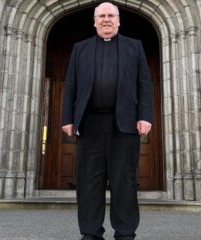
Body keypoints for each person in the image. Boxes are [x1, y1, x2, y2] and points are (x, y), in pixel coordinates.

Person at [61, 2, 153, 240]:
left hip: (124, 125)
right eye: (101, 16)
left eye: (111, 15)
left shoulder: (135, 47)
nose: (106, 19)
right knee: (89, 183)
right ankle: (90, 233)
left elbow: (144, 84)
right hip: (90, 125)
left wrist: (145, 116)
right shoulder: (80, 48)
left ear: (119, 20)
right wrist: (67, 118)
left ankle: (125, 233)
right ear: (94, 21)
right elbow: (70, 85)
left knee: (124, 182)